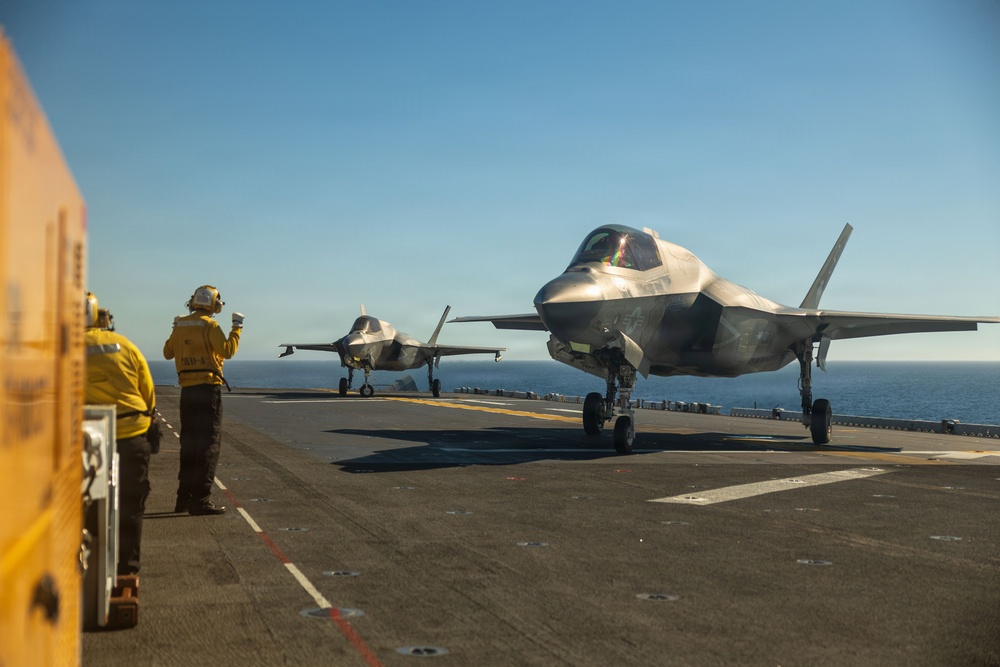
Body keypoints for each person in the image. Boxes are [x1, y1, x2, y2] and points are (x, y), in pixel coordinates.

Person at [84, 291, 156, 576]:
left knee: (84, 506)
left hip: (87, 440)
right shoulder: (124, 344)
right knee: (131, 504)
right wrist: (150, 419)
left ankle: (88, 568)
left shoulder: (60, 347)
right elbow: (147, 390)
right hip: (132, 433)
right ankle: (127, 568)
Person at [163, 285, 243, 515]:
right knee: (209, 445)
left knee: (189, 444)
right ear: (214, 304)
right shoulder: (210, 325)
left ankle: (183, 499)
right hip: (208, 391)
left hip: (187, 392)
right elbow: (227, 351)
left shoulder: (181, 325)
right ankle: (201, 500)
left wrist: (175, 329)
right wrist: (237, 328)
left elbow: (168, 353)